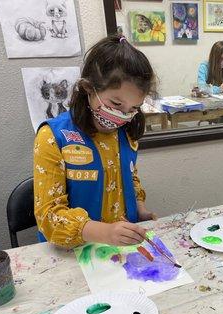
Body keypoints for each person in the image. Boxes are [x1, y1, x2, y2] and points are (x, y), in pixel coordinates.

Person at [33, 35, 157, 249]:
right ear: (89, 88)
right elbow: (49, 215)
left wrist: (140, 209)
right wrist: (106, 232)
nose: (123, 116)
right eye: (116, 103)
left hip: (120, 251)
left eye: (133, 108)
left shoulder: (125, 133)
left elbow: (130, 178)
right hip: (74, 252)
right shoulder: (53, 137)